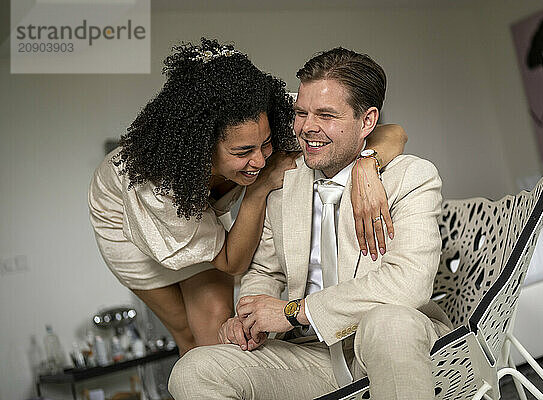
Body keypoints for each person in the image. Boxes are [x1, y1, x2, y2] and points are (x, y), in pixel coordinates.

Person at [88, 39, 408, 356]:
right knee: (187, 336)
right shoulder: (156, 187)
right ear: (202, 148)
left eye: (266, 144)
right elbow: (232, 262)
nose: (259, 161)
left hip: (197, 214)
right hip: (121, 223)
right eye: (243, 151)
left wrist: (368, 163)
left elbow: (389, 132)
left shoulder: (268, 113)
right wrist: (259, 190)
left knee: (215, 333)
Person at [167, 47, 454, 399]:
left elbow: (408, 284)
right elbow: (265, 273)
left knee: (389, 322)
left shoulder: (411, 177)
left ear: (367, 122)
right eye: (301, 113)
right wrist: (251, 317)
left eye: (326, 115)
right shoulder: (283, 182)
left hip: (390, 346)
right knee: (192, 371)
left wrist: (293, 312)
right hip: (312, 357)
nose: (307, 128)